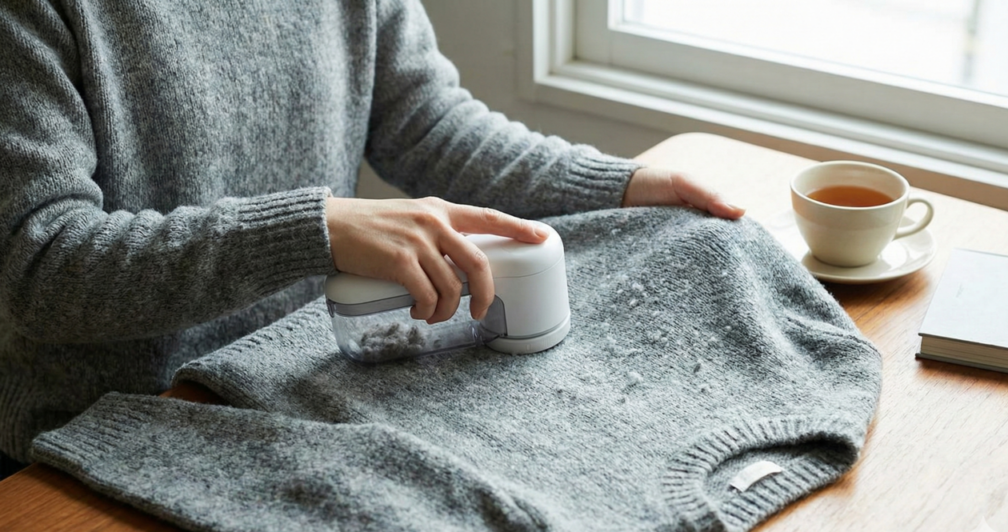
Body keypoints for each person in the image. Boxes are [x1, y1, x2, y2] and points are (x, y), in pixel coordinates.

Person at [0, 0, 743, 475]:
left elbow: (425, 123)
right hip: (93, 445)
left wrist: (617, 185)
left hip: (288, 400)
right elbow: (39, 265)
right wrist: (314, 228)